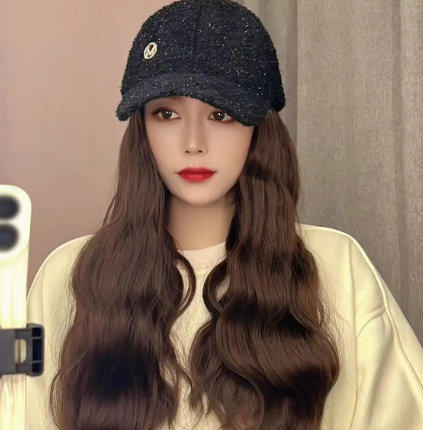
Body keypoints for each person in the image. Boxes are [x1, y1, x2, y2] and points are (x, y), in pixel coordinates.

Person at [25, 0, 423, 429]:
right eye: (167, 113)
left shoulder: (338, 267)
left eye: (221, 113)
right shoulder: (68, 275)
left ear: (259, 129)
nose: (193, 142)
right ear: (142, 128)